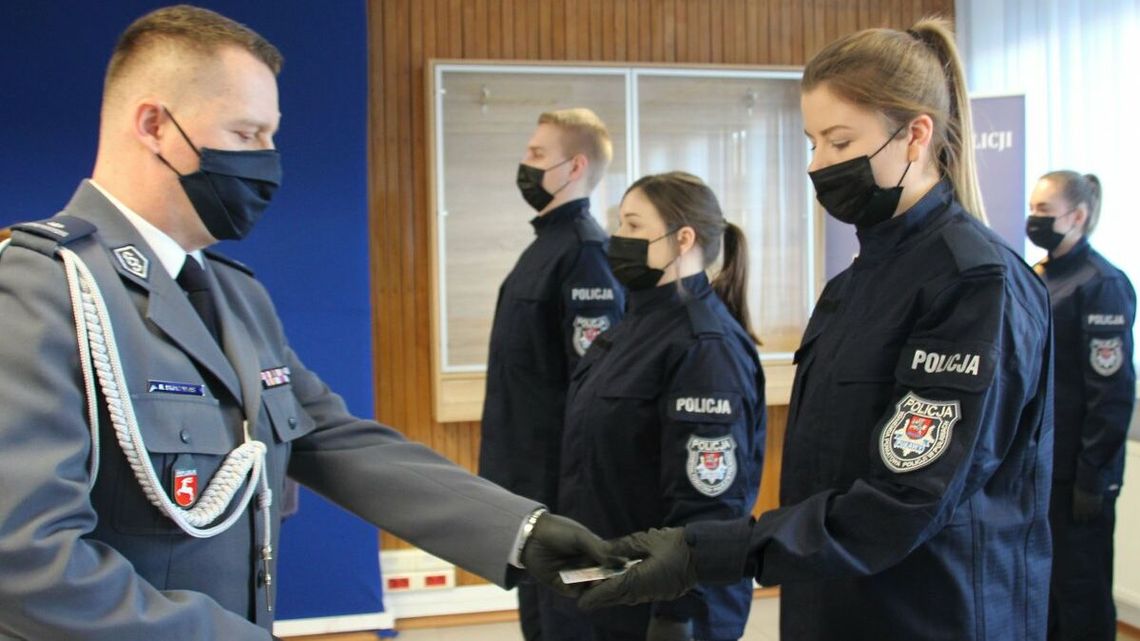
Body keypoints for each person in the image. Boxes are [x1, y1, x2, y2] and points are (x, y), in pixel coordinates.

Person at [0, 7, 613, 640]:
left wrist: (522, 533)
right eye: (247, 133)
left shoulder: (234, 296)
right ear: (155, 125)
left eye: (271, 135)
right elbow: (25, 563)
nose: (269, 161)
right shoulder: (40, 289)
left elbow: (335, 441)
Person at [579, 17, 1054, 641]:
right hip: (831, 605)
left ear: (915, 136)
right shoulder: (853, 284)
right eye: (812, 142)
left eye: (839, 141)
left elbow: (906, 498)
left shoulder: (975, 282)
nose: (818, 164)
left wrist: (710, 552)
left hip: (932, 614)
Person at [554, 172, 765, 641]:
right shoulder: (634, 326)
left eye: (633, 225)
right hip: (612, 587)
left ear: (683, 239)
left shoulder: (704, 347)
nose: (617, 238)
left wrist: (677, 617)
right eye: (619, 224)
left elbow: (708, 502)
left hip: (665, 607)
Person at [479, 107, 625, 640]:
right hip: (526, 486)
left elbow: (593, 386)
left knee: (567, 626)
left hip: (561, 492)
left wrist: (571, 497)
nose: (525, 164)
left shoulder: (586, 254)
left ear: (575, 167)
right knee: (539, 624)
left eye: (538, 155)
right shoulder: (544, 247)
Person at [1027, 171, 1135, 641]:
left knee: (1080, 594)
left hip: (1079, 476)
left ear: (1078, 216)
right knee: (1045, 592)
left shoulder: (1101, 284)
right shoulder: (1040, 276)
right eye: (1032, 209)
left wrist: (1095, 477)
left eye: (1044, 211)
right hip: (1041, 468)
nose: (1034, 220)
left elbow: (1110, 395)